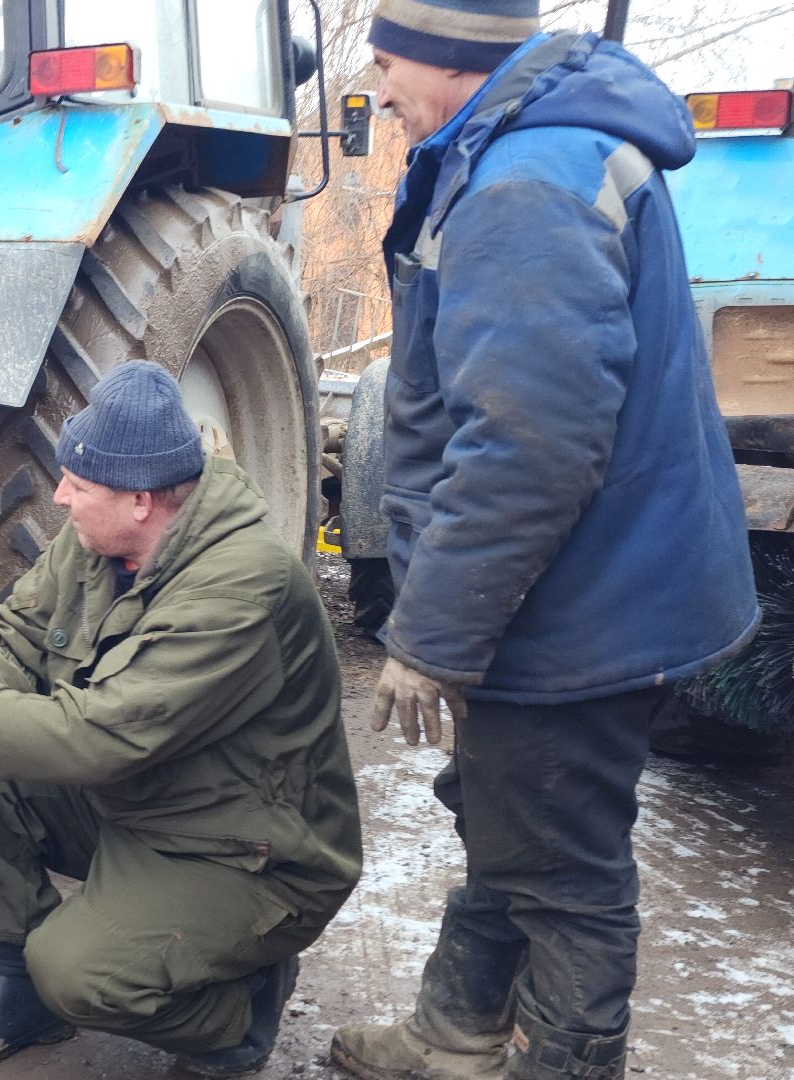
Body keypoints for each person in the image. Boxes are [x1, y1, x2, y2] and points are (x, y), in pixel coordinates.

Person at [330, 4, 758, 1078]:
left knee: (562, 868)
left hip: (577, 602)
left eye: (382, 64)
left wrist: (431, 635)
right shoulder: (539, 140)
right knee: (507, 814)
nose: (376, 90)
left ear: (443, 54)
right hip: (592, 579)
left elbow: (529, 446)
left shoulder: (523, 185)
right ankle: (455, 1033)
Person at [0, 362, 362, 1076]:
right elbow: (6, 639)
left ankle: (240, 1010)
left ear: (140, 500)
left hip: (248, 852)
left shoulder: (242, 584)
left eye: (77, 487)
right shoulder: (98, 547)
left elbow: (103, 735)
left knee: (79, 974)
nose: (59, 496)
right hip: (148, 803)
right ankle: (14, 990)